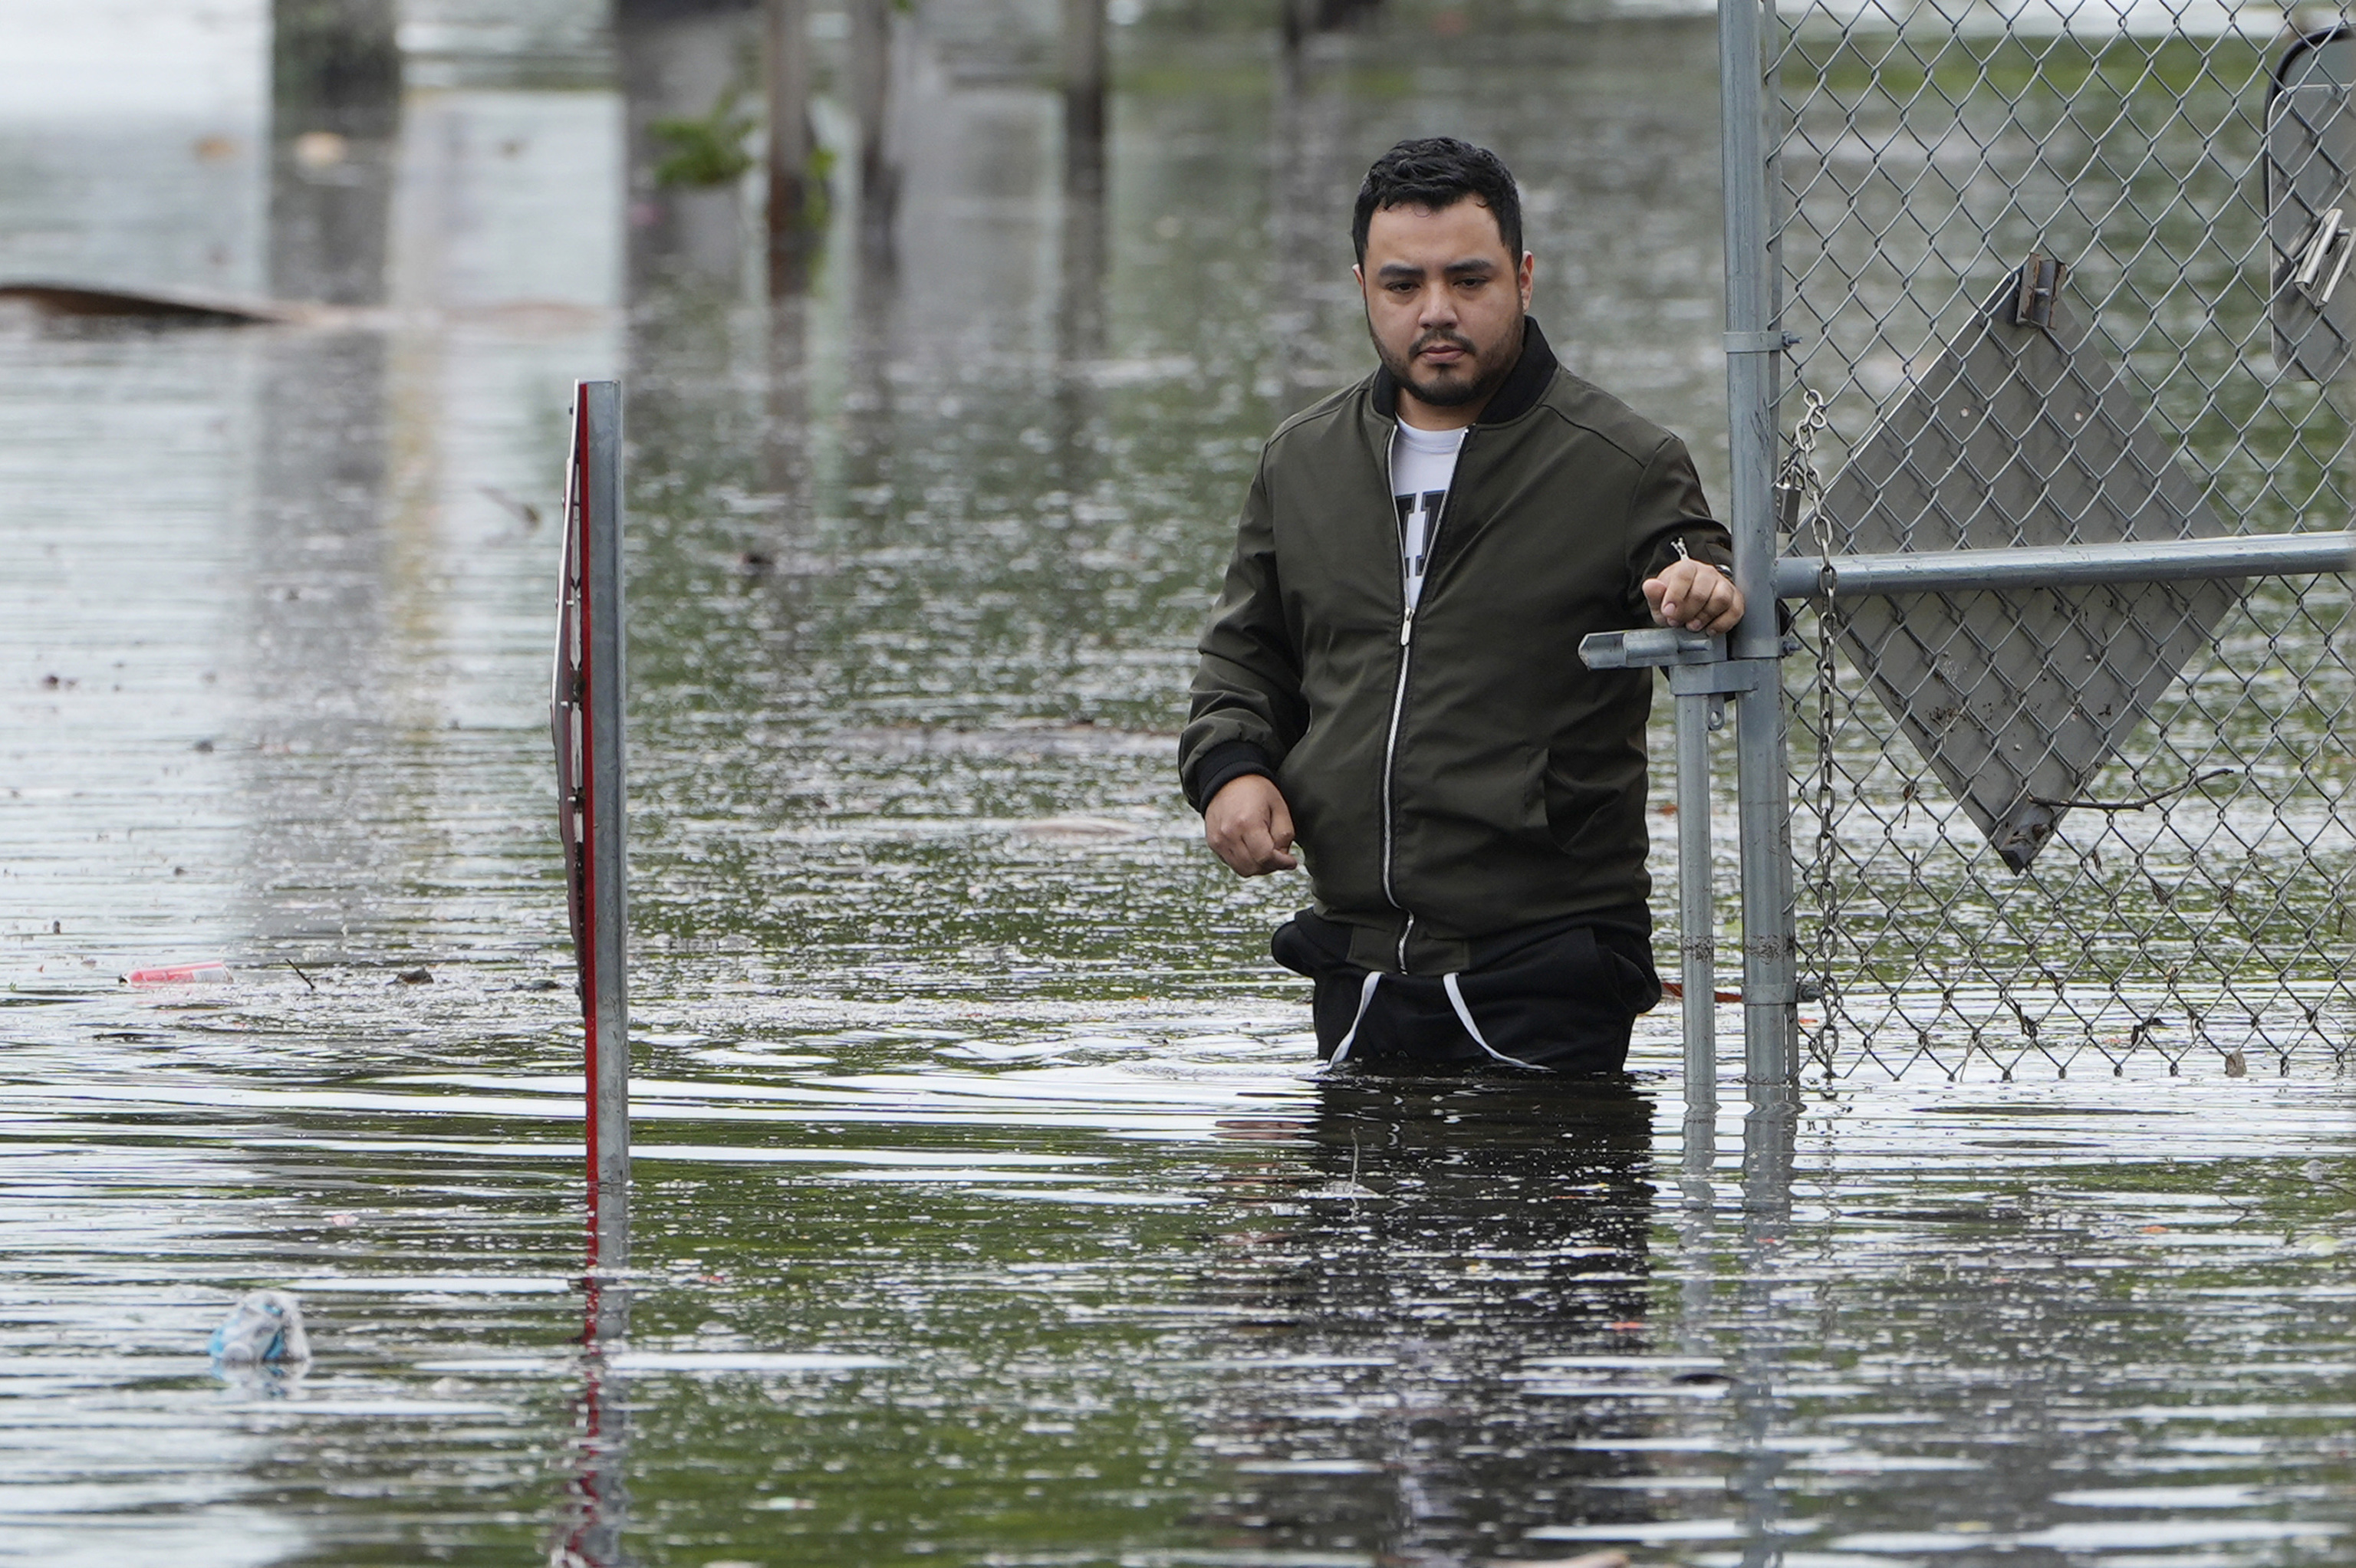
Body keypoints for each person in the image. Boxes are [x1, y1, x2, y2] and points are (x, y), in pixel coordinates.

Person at [1178, 136, 1744, 1075]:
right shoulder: (1302, 459)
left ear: (1523, 276)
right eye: (1404, 285)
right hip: (1357, 961)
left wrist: (1699, 585)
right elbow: (1247, 657)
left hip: (1552, 963)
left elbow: (1690, 557)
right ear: (1362, 284)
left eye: (1469, 279)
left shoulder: (1624, 459)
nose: (1437, 312)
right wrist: (1230, 771)